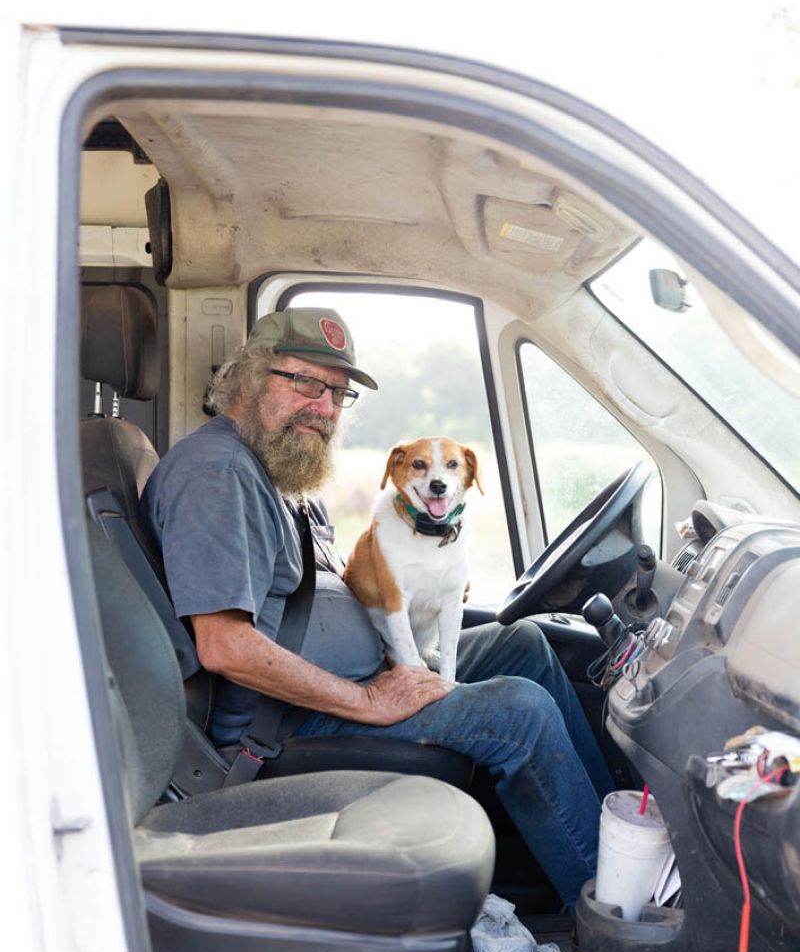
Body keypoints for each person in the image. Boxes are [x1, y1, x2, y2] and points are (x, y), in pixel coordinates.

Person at [142, 307, 615, 906]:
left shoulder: (270, 465)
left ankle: (624, 844)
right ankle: (612, 909)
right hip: (283, 721)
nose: (325, 406)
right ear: (249, 379)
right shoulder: (217, 475)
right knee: (518, 709)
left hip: (350, 673)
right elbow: (225, 644)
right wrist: (368, 698)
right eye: (304, 383)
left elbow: (303, 589)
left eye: (337, 393)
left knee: (524, 643)